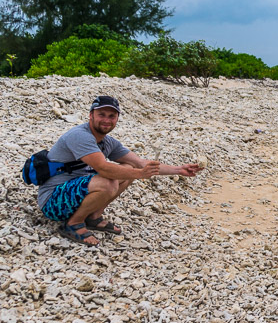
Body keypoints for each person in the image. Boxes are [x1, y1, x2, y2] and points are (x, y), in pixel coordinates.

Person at [37, 95, 203, 247]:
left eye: (111, 116)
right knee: (109, 180)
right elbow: (103, 168)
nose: (106, 120)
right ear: (91, 115)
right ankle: (73, 224)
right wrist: (140, 174)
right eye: (101, 114)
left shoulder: (108, 142)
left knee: (128, 168)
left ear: (117, 119)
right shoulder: (80, 136)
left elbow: (140, 163)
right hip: (53, 202)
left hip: (75, 194)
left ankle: (93, 217)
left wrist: (178, 170)